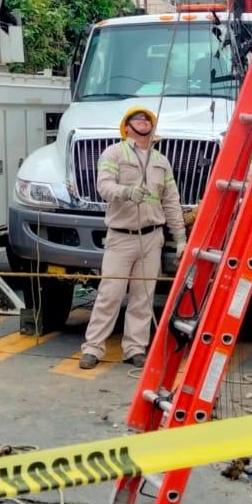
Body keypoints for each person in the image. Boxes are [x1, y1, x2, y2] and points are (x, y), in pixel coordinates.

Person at [80, 105, 187, 370]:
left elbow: (171, 202)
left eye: (147, 118)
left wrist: (180, 237)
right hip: (121, 236)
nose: (142, 121)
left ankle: (135, 348)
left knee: (143, 297)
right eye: (136, 118)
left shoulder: (161, 161)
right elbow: (103, 186)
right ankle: (93, 347)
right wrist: (126, 192)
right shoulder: (114, 153)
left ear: (152, 127)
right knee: (110, 294)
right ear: (126, 126)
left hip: (152, 237)